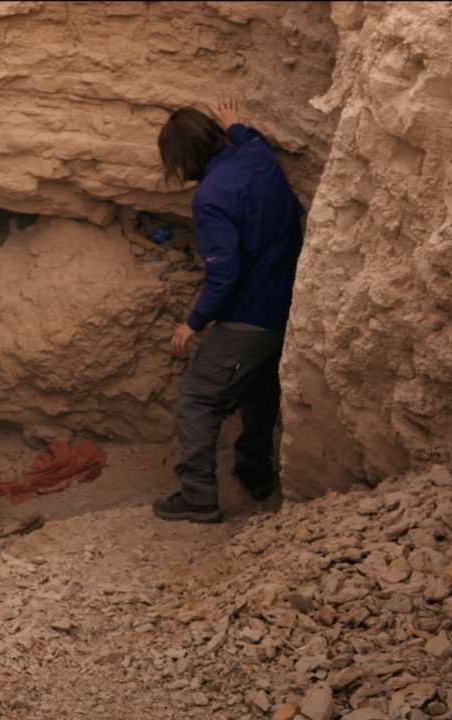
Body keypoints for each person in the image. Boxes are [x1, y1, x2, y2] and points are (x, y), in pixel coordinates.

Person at [151, 98, 305, 524]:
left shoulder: (211, 198)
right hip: (288, 307)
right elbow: (249, 138)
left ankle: (198, 495)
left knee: (198, 397)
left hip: (250, 314)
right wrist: (235, 125)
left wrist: (192, 322)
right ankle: (256, 473)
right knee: (258, 388)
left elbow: (225, 275)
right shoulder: (255, 154)